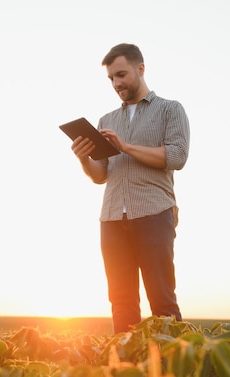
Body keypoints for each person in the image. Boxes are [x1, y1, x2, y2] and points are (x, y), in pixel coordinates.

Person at [70, 43, 190, 334]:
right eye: (111, 78)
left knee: (162, 302)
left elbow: (177, 157)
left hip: (154, 213)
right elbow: (100, 176)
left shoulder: (170, 110)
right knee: (121, 303)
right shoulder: (106, 121)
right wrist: (83, 157)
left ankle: (174, 372)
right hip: (111, 219)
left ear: (141, 69)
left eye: (121, 74)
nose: (117, 83)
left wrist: (125, 147)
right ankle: (126, 373)